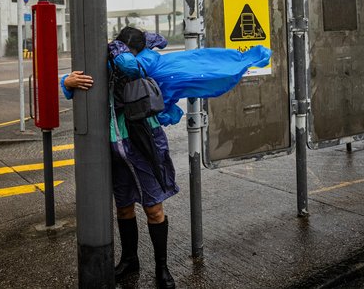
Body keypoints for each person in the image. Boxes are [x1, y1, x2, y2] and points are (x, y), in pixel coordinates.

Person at [62, 27, 272, 288]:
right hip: (115, 149)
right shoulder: (107, 61)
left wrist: (119, 53)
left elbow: (136, 67)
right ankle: (130, 260)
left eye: (129, 50)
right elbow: (78, 82)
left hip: (145, 145)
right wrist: (66, 83)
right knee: (124, 207)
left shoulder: (148, 61)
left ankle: (162, 267)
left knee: (153, 208)